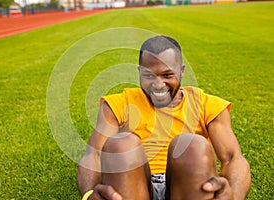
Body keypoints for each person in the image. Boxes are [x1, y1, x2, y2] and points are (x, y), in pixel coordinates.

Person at [77, 36, 251, 200]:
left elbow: (233, 157)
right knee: (120, 144)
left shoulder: (208, 105)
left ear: (181, 71)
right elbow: (94, 155)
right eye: (148, 76)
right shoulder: (118, 104)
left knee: (193, 145)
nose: (158, 85)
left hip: (186, 186)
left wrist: (233, 195)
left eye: (167, 75)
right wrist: (89, 194)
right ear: (139, 72)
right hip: (133, 186)